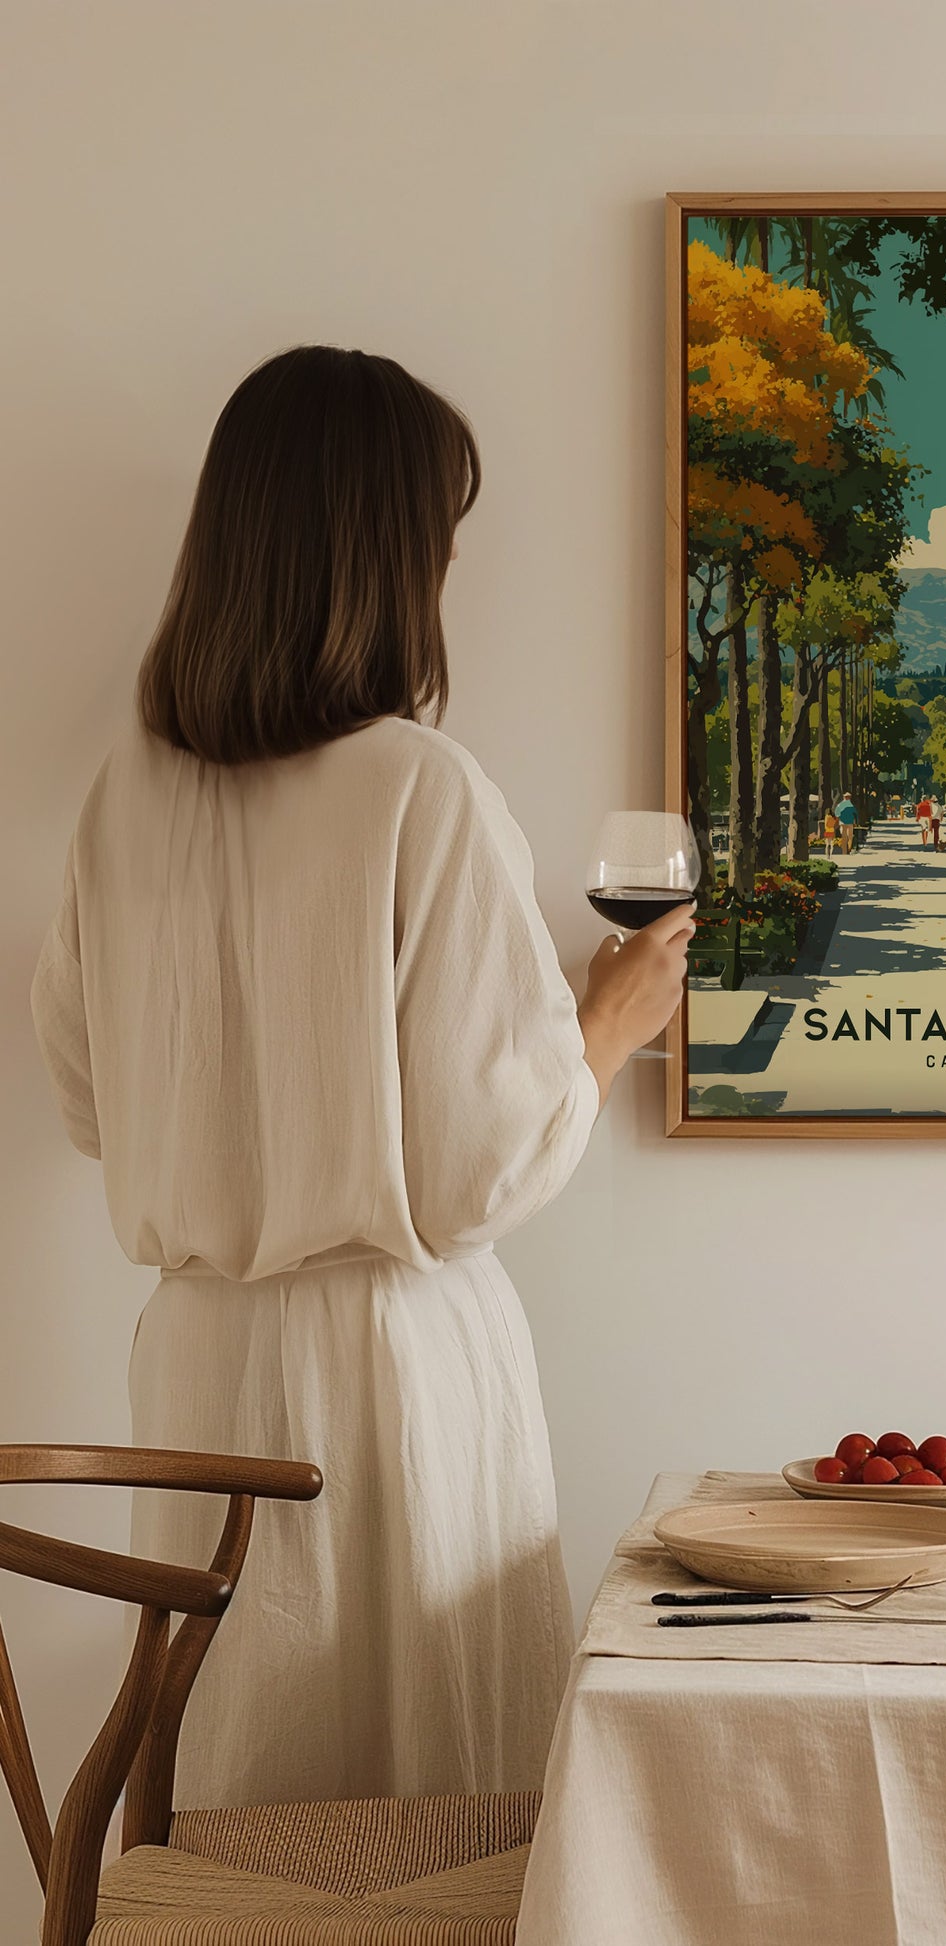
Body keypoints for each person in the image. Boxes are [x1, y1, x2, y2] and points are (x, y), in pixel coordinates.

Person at [30, 346, 693, 1809]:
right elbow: (477, 1171)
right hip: (392, 1371)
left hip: (196, 1363)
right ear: (385, 556)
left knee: (241, 1797)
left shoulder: (123, 797)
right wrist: (607, 1022)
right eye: (438, 545)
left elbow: (88, 1100)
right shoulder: (419, 786)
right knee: (426, 1812)